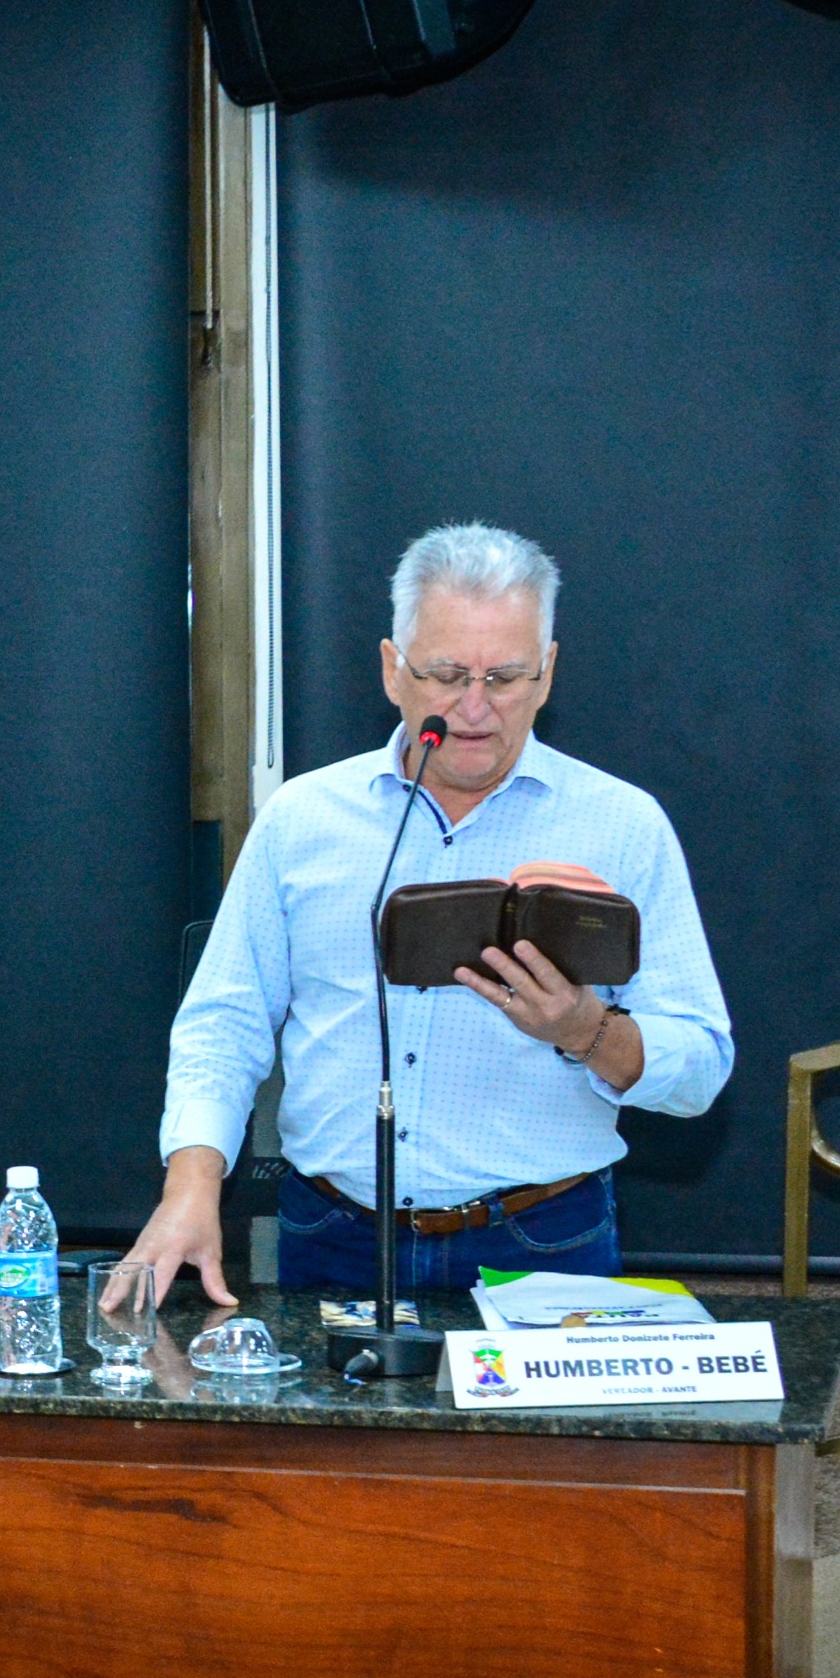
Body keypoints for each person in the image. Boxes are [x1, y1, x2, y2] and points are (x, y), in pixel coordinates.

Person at [124, 523, 732, 1305]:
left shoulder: (623, 826)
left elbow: (701, 1069)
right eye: (446, 674)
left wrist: (586, 1030)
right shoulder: (303, 818)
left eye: (504, 677)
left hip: (542, 1237)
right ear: (392, 669)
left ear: (546, 674)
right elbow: (223, 1023)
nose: (475, 707)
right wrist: (191, 1184)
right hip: (333, 1234)